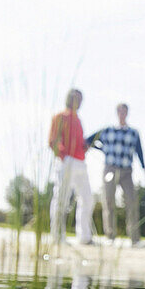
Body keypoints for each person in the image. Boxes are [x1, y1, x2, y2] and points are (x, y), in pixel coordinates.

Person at [86, 104, 145, 247]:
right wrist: (103, 149)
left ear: (127, 113)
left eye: (124, 111)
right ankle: (110, 236)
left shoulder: (133, 132)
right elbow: (88, 140)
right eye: (120, 111)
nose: (122, 114)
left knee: (132, 202)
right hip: (110, 169)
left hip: (127, 170)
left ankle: (134, 238)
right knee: (109, 201)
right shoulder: (107, 130)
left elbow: (139, 151)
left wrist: (144, 168)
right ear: (117, 113)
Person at [47, 88, 95, 245]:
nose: (78, 102)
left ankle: (84, 236)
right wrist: (63, 156)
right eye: (76, 98)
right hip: (66, 162)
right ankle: (57, 236)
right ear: (69, 99)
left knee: (87, 199)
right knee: (62, 199)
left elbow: (80, 143)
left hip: (81, 163)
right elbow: (52, 141)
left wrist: (85, 146)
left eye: (81, 99)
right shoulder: (59, 117)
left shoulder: (79, 120)